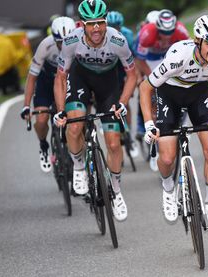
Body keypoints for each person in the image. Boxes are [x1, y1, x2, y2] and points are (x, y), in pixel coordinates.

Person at [139, 15, 208, 228]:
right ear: (198, 41)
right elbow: (145, 88)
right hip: (169, 93)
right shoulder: (178, 58)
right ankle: (168, 188)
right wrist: (148, 124)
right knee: (168, 157)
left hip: (198, 92)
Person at [53, 0, 137, 222]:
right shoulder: (71, 40)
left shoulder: (117, 40)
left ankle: (117, 191)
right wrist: (61, 110)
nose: (97, 28)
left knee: (113, 142)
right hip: (80, 79)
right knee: (74, 125)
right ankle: (79, 167)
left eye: (100, 22)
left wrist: (122, 102)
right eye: (91, 24)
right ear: (82, 24)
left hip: (108, 85)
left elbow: (132, 75)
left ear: (106, 21)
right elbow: (61, 77)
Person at [134, 9, 189, 171]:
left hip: (169, 58)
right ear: (157, 27)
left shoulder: (180, 30)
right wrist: (153, 79)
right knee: (152, 94)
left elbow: (191, 52)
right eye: (163, 32)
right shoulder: (147, 33)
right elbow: (139, 59)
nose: (167, 35)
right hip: (149, 61)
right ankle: (155, 146)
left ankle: (181, 119)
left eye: (170, 32)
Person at [20, 16, 76, 173]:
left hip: (67, 81)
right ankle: (44, 145)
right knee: (42, 118)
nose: (64, 46)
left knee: (74, 118)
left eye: (67, 42)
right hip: (46, 83)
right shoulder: (45, 46)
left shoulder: (79, 43)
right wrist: (26, 106)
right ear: (54, 38)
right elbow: (32, 78)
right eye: (60, 42)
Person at [107, 10, 139, 158]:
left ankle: (130, 136)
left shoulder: (127, 35)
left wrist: (131, 81)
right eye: (111, 26)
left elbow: (132, 59)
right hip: (107, 65)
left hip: (122, 64)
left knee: (125, 102)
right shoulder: (103, 35)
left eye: (117, 26)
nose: (114, 29)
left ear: (121, 26)